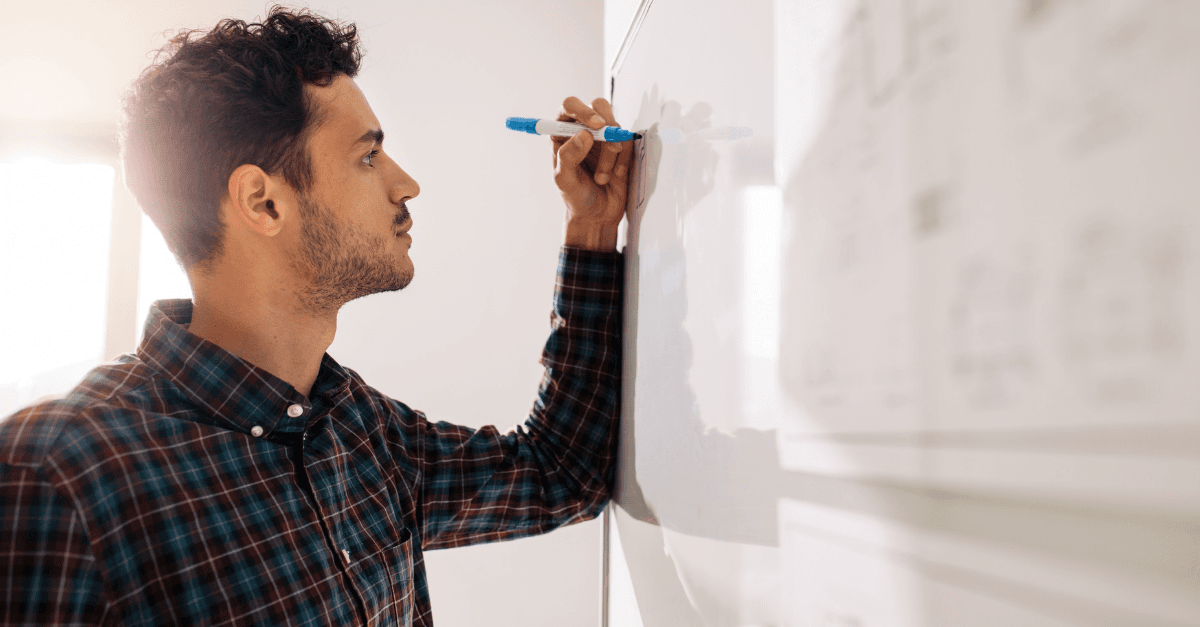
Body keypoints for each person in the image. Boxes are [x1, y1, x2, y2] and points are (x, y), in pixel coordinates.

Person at [0, 7, 631, 626]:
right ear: (264, 202)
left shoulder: (361, 429)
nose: (406, 184)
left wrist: (594, 227)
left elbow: (561, 471)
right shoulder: (59, 474)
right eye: (367, 157)